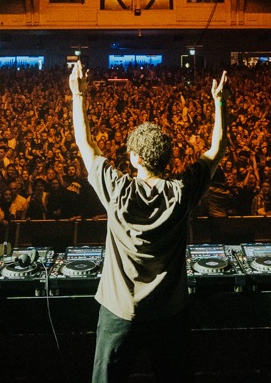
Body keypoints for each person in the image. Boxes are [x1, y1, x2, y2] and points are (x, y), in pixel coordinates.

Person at [69, 60, 228, 383]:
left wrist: (78, 96)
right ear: (166, 158)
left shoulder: (117, 190)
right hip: (169, 314)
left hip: (119, 311)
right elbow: (216, 149)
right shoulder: (181, 192)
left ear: (134, 158)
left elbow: (85, 144)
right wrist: (219, 102)